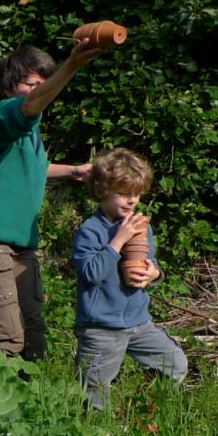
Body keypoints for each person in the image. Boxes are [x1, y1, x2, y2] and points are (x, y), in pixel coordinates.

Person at [0, 40, 106, 361]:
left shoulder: (29, 134)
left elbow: (34, 166)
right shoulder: (3, 114)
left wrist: (73, 171)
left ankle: (27, 407)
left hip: (21, 246)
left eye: (42, 83)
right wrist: (72, 64)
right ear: (11, 86)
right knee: (7, 340)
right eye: (31, 84)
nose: (39, 90)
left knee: (33, 338)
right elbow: (31, 106)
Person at [71, 148, 188, 410]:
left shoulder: (140, 226)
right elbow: (90, 273)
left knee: (175, 365)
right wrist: (118, 240)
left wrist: (153, 274)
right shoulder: (91, 230)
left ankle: (138, 411)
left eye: (136, 194)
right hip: (101, 327)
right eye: (123, 193)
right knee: (95, 393)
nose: (131, 200)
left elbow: (152, 262)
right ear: (102, 191)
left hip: (138, 322)